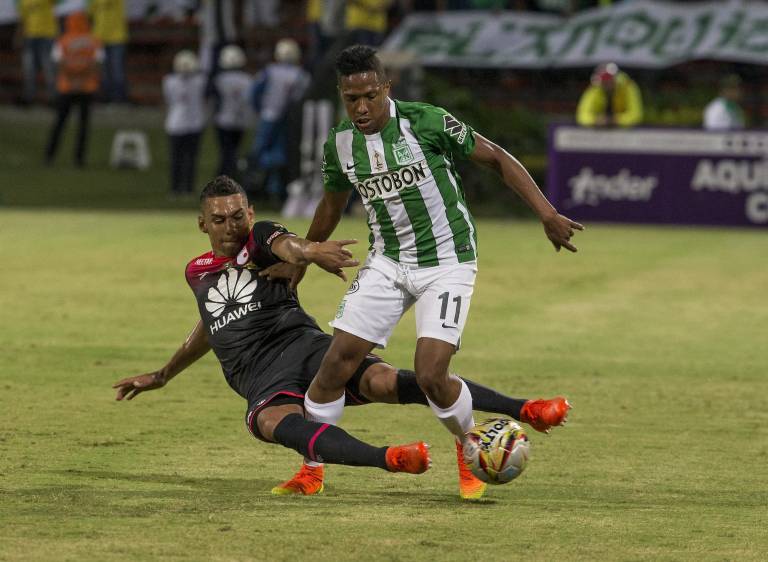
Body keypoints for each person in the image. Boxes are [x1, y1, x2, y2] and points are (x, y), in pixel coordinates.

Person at [112, 175, 570, 496]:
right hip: (259, 377)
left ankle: (523, 408)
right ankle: (389, 457)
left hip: (304, 347)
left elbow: (285, 244)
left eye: (237, 216)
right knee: (274, 424)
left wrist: (309, 251)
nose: (230, 227)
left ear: (249, 213)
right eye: (219, 219)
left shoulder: (260, 237)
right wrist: (164, 373)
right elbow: (212, 324)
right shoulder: (197, 272)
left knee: (383, 381)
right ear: (202, 224)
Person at [282, 45, 578, 500]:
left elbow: (497, 156)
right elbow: (332, 204)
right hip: (387, 260)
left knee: (431, 373)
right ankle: (312, 469)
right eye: (350, 98)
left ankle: (469, 449)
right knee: (335, 364)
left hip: (448, 260)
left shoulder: (427, 121)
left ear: (386, 88)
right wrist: (303, 255)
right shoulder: (341, 142)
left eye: (369, 96)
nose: (361, 107)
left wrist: (547, 213)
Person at [247, 38, 311, 205]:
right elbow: (302, 99)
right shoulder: (301, 74)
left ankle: (253, 187)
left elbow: (254, 93)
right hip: (287, 120)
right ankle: (274, 190)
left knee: (258, 153)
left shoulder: (269, 71)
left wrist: (259, 109)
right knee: (280, 155)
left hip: (269, 116)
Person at [44, 12, 103, 167]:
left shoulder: (63, 40)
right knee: (83, 125)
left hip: (67, 86)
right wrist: (83, 79)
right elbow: (96, 64)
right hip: (86, 87)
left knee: (60, 123)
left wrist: (72, 79)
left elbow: (59, 63)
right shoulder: (93, 41)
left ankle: (49, 156)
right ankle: (79, 159)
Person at [163, 50, 207, 197]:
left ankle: (176, 188)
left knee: (177, 159)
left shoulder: (169, 81)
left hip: (176, 124)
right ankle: (187, 187)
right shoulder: (200, 81)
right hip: (194, 124)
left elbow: (169, 100)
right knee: (190, 159)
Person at [213, 44, 253, 179]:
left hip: (224, 120)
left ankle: (225, 175)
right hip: (241, 120)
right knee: (234, 150)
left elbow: (215, 100)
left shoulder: (219, 79)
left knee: (226, 152)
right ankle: (232, 174)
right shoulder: (248, 79)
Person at [576, 62, 643, 128]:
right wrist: (596, 120)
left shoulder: (628, 86)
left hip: (626, 130)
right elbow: (582, 116)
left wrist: (616, 120)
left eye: (609, 77)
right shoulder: (595, 88)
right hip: (599, 130)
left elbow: (636, 115)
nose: (607, 82)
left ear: (616, 77)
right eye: (604, 79)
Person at [17, 0, 57, 105]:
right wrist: (19, 35)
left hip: (47, 35)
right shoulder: (23, 1)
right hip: (30, 36)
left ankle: (53, 98)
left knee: (49, 68)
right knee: (29, 69)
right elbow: (23, 19)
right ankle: (29, 98)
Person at [89, 0, 129, 103]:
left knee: (117, 69)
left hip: (117, 37)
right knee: (103, 70)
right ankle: (105, 97)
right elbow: (90, 15)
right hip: (99, 39)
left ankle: (119, 98)